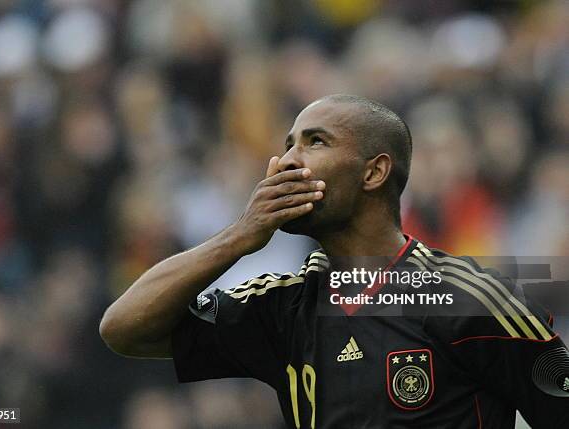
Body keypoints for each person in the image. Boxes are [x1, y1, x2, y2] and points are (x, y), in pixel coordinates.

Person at [100, 95, 569, 428]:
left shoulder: (469, 298)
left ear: (374, 172)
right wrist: (240, 235)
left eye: (315, 143)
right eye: (289, 144)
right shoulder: (283, 309)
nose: (286, 161)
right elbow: (123, 328)